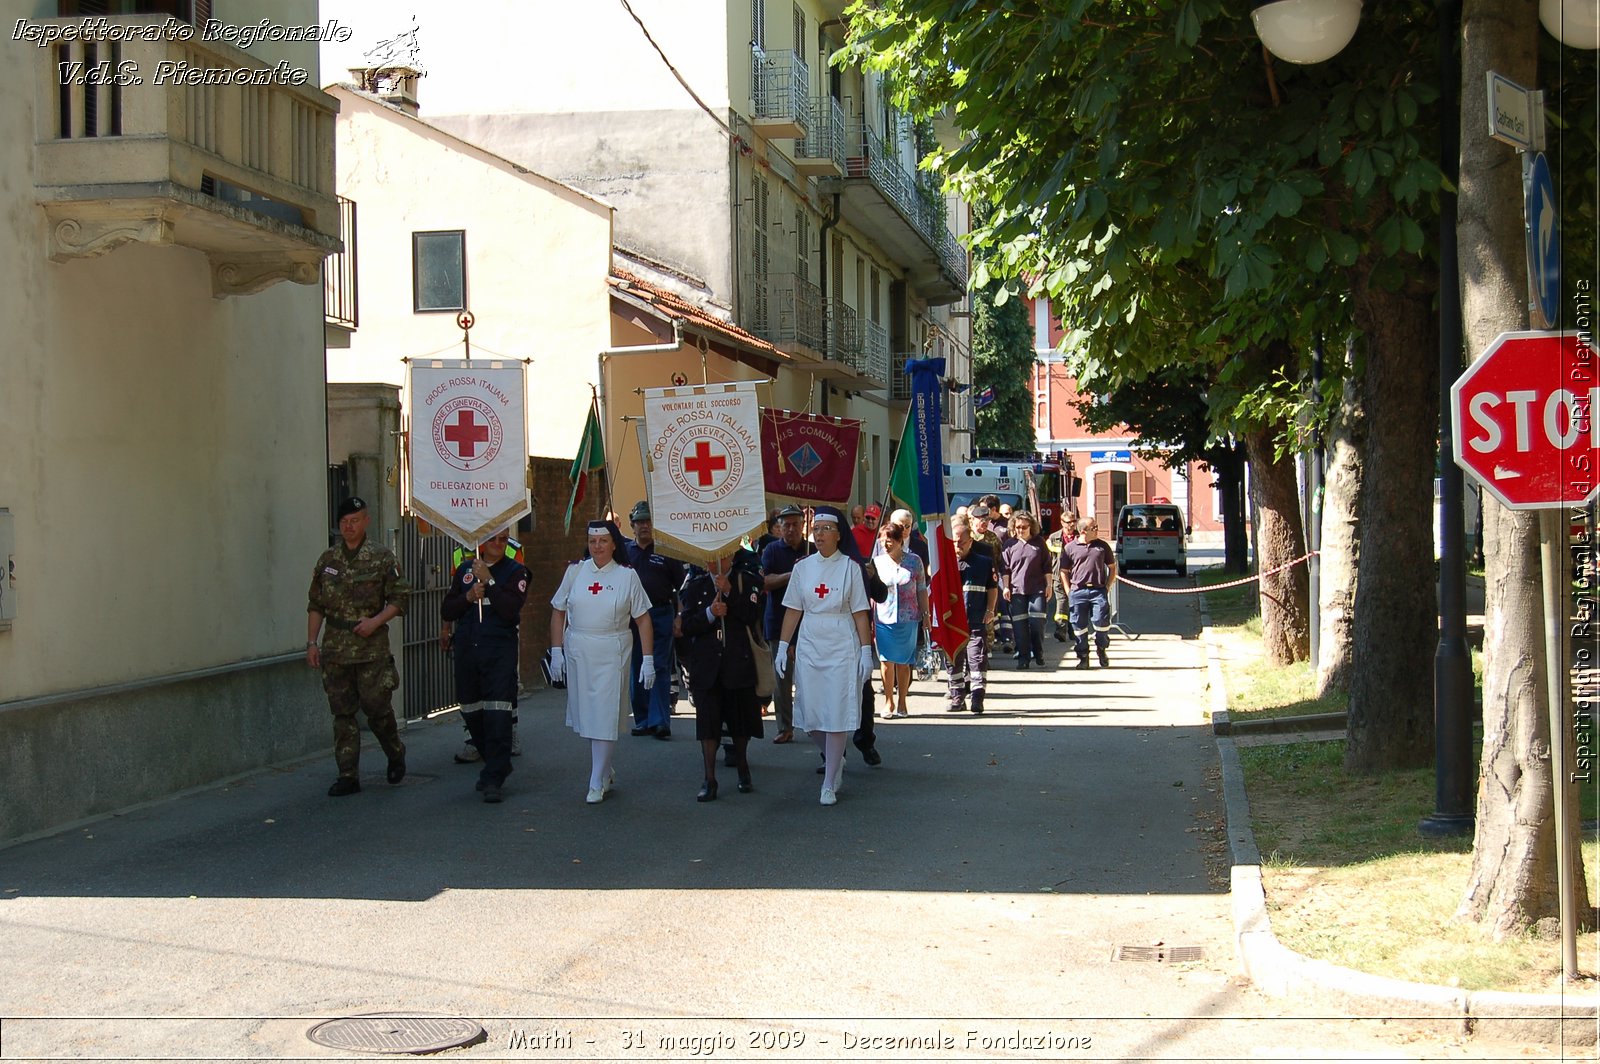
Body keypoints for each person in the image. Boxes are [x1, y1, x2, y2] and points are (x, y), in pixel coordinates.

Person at [305, 496, 407, 797]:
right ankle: (347, 774)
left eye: (354, 520)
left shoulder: (382, 557)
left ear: (365, 521)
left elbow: (399, 599)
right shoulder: (328, 560)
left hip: (370, 648)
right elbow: (316, 604)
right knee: (342, 712)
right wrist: (312, 642)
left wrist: (375, 622)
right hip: (336, 649)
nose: (348, 527)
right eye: (344, 522)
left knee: (376, 707)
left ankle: (395, 752)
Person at [548, 520, 656, 803]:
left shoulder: (626, 576)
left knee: (605, 713)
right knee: (589, 714)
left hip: (613, 649)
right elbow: (558, 611)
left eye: (604, 541)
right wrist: (556, 650)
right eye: (593, 541)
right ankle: (605, 769)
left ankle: (596, 780)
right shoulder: (575, 571)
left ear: (614, 543)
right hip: (579, 650)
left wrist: (648, 660)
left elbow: (643, 619)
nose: (598, 547)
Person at [775, 506, 874, 806]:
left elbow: (860, 613)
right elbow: (793, 608)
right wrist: (782, 645)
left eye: (825, 529)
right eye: (815, 529)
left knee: (837, 712)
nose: (818, 535)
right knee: (812, 715)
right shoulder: (803, 568)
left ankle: (829, 781)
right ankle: (835, 759)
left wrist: (866, 651)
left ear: (838, 534)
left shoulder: (850, 567)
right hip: (810, 641)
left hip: (842, 643)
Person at [440, 527, 530, 803]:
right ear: (482, 542)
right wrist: (468, 597)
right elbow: (447, 609)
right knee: (470, 709)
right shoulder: (467, 569)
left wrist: (490, 582)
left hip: (498, 649)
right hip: (469, 647)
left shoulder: (516, 572)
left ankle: (494, 777)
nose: (499, 544)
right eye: (493, 539)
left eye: (503, 539)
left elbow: (509, 610)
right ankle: (495, 762)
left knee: (498, 712)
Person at [678, 551, 764, 800]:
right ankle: (709, 778)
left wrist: (729, 592)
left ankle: (743, 769)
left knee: (739, 722)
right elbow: (687, 625)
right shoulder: (695, 585)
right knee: (708, 724)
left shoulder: (746, 580)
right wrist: (710, 613)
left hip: (737, 662)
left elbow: (751, 614)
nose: (716, 562)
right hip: (706, 666)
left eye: (722, 556)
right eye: (710, 557)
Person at [625, 501, 685, 740]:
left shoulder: (666, 551)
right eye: (640, 522)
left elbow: (681, 587)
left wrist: (679, 616)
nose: (645, 526)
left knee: (659, 665)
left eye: (649, 522)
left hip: (660, 614)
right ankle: (642, 719)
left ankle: (660, 720)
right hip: (632, 619)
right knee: (637, 666)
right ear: (632, 526)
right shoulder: (625, 553)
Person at [759, 504, 811, 744]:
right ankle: (784, 726)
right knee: (782, 678)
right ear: (779, 526)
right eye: (786, 524)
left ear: (802, 525)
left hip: (808, 623)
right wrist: (793, 574)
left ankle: (812, 723)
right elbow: (765, 581)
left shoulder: (812, 549)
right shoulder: (771, 550)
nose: (790, 529)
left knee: (809, 676)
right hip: (778, 621)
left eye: (795, 524)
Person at [872, 521, 928, 719]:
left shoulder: (914, 561)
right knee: (886, 661)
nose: (886, 544)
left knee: (904, 662)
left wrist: (926, 616)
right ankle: (888, 701)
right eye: (883, 540)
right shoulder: (876, 563)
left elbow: (921, 590)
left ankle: (902, 700)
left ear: (899, 540)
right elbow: (871, 592)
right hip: (883, 617)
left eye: (890, 540)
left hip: (908, 618)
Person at [947, 513, 998, 714]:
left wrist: (990, 610)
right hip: (952, 622)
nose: (958, 547)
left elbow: (992, 587)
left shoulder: (984, 561)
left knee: (977, 659)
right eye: (954, 543)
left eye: (962, 543)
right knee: (954, 661)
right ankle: (957, 698)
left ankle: (977, 698)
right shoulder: (946, 564)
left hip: (976, 619)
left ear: (970, 542)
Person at [1063, 517, 1117, 668]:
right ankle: (1083, 657)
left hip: (1098, 591)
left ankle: (1101, 648)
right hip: (1078, 591)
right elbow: (1063, 571)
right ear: (1082, 531)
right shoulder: (1070, 548)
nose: (1097, 530)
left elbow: (1112, 568)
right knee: (1078, 627)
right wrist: (1069, 591)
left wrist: (1106, 587)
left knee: (1101, 622)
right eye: (1094, 528)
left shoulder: (1102, 546)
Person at [1001, 511, 1051, 669]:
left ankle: (1038, 651)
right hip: (1017, 591)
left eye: (1024, 527)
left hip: (1037, 590)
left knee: (1037, 623)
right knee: (1020, 627)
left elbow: (1047, 566)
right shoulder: (1009, 544)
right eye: (1017, 527)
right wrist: (1006, 587)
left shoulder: (1039, 543)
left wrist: (1049, 585)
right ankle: (1023, 658)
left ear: (1031, 527)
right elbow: (1005, 568)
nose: (1020, 530)